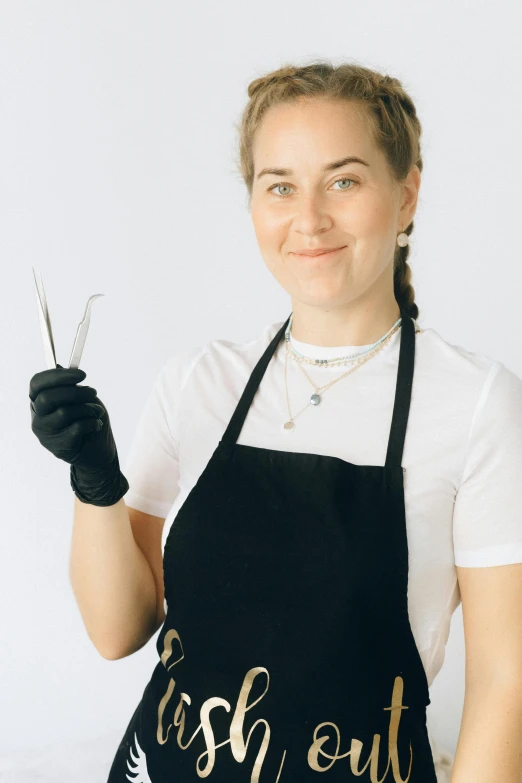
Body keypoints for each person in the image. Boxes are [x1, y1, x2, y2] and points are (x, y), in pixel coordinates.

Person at [29, 61, 522, 782]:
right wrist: (96, 481)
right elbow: (117, 630)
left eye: (344, 180)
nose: (309, 217)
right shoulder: (199, 381)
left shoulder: (475, 401)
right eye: (280, 186)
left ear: (407, 193)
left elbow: (505, 681)